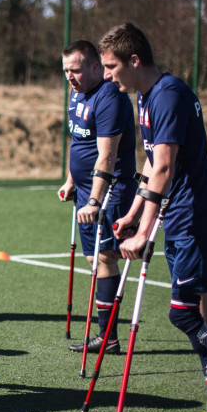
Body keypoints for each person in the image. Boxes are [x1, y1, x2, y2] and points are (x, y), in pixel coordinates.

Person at [102, 22, 207, 412]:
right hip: (179, 216)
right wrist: (135, 212)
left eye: (111, 66)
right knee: (196, 313)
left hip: (194, 217)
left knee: (189, 313)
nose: (108, 75)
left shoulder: (169, 95)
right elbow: (150, 168)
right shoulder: (147, 97)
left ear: (134, 60)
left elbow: (166, 166)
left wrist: (144, 233)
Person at [57, 40, 137, 355]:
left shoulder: (110, 97)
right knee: (95, 259)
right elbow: (76, 142)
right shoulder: (77, 94)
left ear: (94, 66)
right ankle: (108, 335)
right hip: (85, 189)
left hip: (110, 189)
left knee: (105, 257)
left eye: (75, 70)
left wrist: (94, 200)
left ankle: (107, 338)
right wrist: (71, 179)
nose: (70, 77)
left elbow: (107, 155)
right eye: (65, 71)